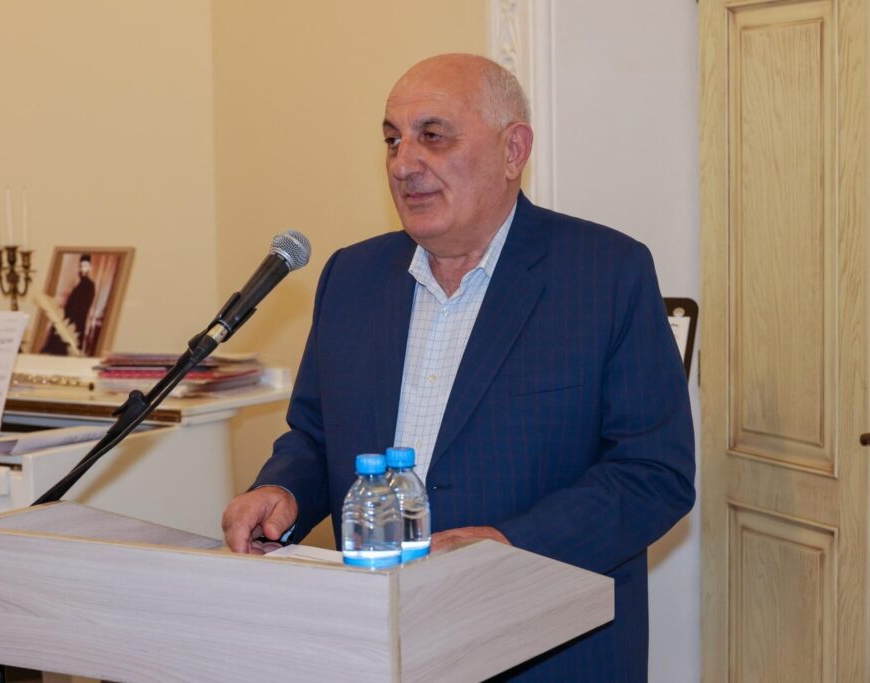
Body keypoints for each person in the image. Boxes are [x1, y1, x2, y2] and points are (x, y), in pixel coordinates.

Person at [221, 53, 694, 682]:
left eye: (433, 136)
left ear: (513, 150)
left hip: (545, 648)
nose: (403, 163)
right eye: (392, 140)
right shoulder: (352, 276)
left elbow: (653, 474)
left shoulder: (605, 273)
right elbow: (315, 435)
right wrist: (282, 490)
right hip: (371, 643)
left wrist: (507, 547)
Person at [41, 254, 96, 355]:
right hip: (68, 319)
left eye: (85, 266)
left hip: (76, 322)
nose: (83, 269)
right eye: (81, 266)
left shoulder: (89, 285)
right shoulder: (78, 285)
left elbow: (83, 307)